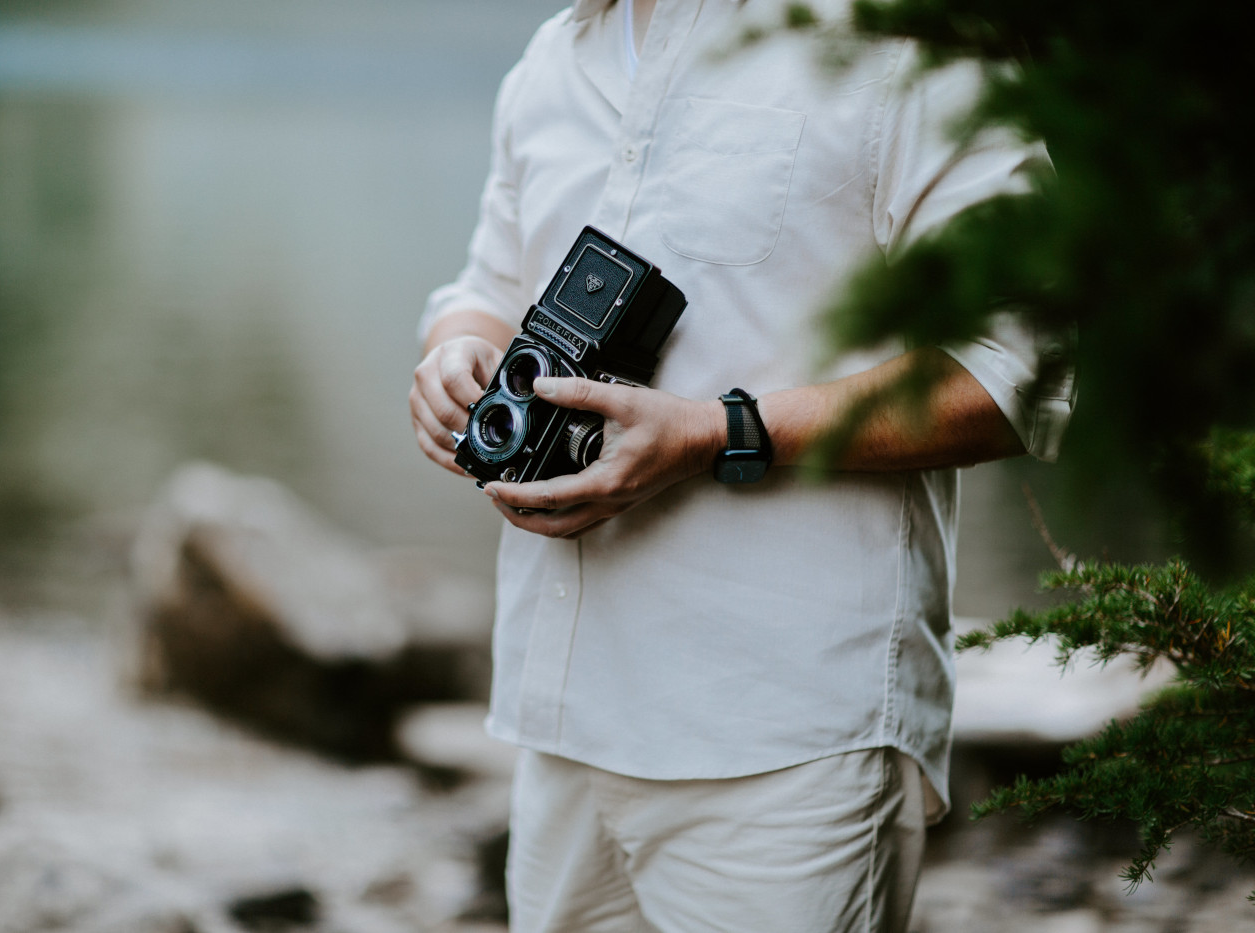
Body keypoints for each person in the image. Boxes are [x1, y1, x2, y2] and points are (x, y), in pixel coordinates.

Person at [410, 1, 1074, 930]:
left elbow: (1016, 366)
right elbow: (487, 286)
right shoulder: (556, 55)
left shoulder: (905, 39)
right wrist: (456, 355)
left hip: (786, 740)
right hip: (558, 723)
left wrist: (718, 433)